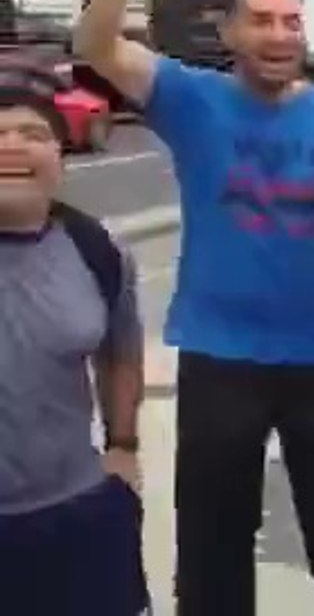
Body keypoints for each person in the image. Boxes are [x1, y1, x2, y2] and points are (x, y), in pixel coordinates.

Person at [73, 0, 314, 613]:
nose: (280, 34)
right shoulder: (192, 99)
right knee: (213, 543)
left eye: (291, 21)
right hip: (220, 355)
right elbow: (95, 44)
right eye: (262, 20)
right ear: (229, 33)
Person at [0, 62, 148, 616]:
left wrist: (123, 450)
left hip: (79, 518)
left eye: (33, 134)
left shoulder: (98, 251)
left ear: (61, 156)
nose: (13, 146)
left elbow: (121, 351)